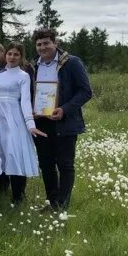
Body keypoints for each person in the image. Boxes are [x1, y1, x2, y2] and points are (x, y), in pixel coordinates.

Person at [32, 28, 93, 211]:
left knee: (65, 164)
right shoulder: (34, 65)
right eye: (39, 44)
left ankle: (62, 205)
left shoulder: (71, 63)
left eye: (46, 43)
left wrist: (64, 110)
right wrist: (32, 110)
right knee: (46, 164)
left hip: (64, 122)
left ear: (55, 43)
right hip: (41, 122)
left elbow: (86, 91)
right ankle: (52, 203)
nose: (43, 47)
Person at [0, 42, 48, 204]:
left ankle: (18, 196)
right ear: (5, 55)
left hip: (16, 120)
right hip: (2, 121)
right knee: (2, 155)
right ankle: (2, 190)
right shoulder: (0, 75)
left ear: (21, 57)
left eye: (16, 54)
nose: (12, 57)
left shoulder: (23, 76)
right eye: (9, 54)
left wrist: (30, 124)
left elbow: (25, 101)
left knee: (15, 154)